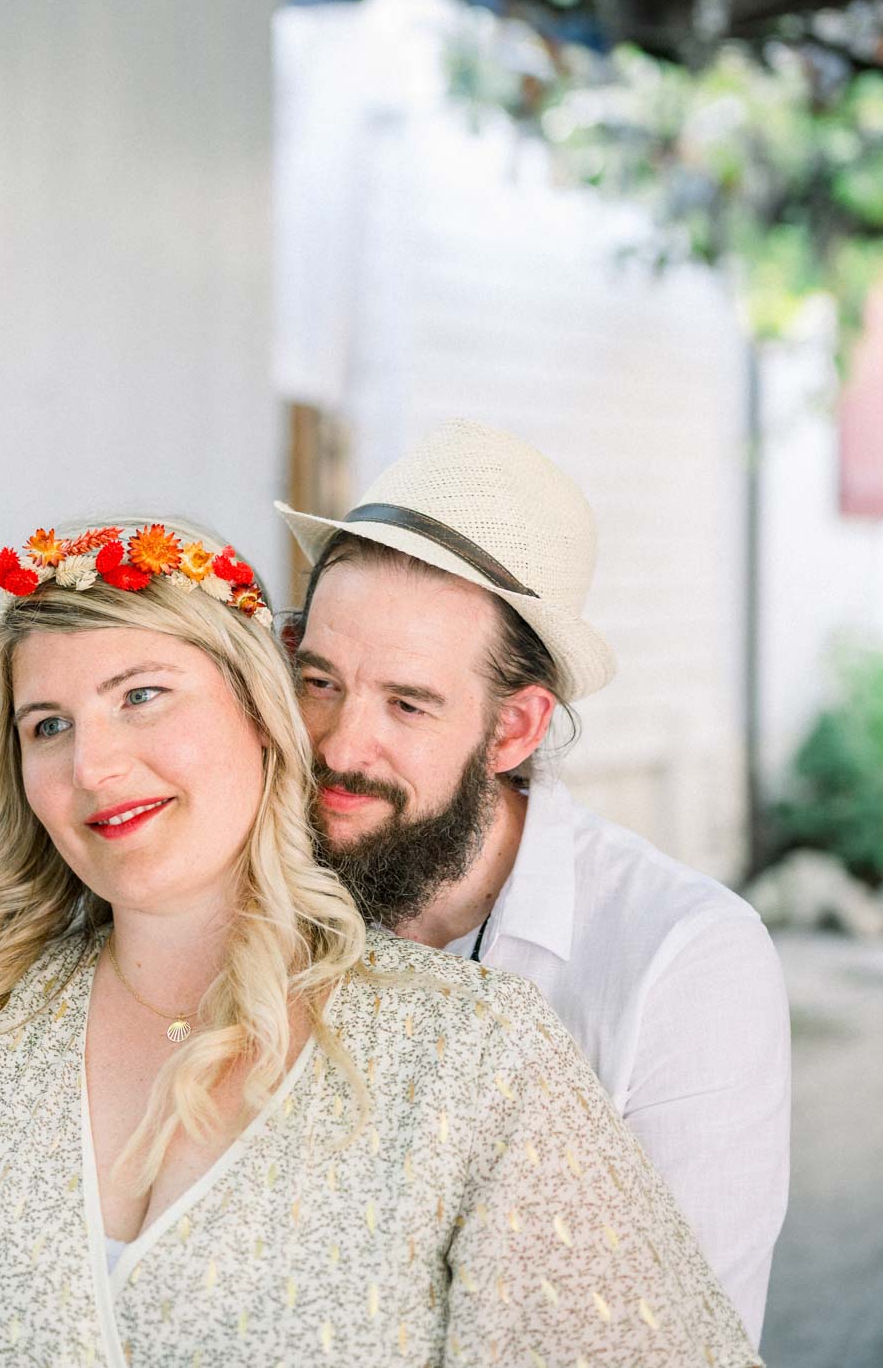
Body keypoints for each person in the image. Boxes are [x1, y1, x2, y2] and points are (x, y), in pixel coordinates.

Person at [0, 513, 763, 1368]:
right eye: (48, 724)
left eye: (142, 696)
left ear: (258, 721)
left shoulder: (480, 1052)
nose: (94, 764)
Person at [278, 417, 791, 1347]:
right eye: (319, 681)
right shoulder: (262, 884)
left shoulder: (684, 959)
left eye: (407, 702)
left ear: (515, 730)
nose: (342, 746)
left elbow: (682, 1336)